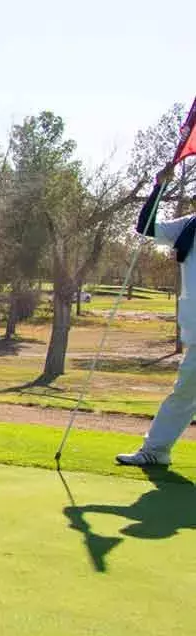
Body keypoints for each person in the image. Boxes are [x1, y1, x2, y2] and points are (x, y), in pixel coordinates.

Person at [117, 162, 194, 467]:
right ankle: (156, 450)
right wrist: (160, 186)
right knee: (185, 394)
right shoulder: (189, 225)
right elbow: (146, 228)